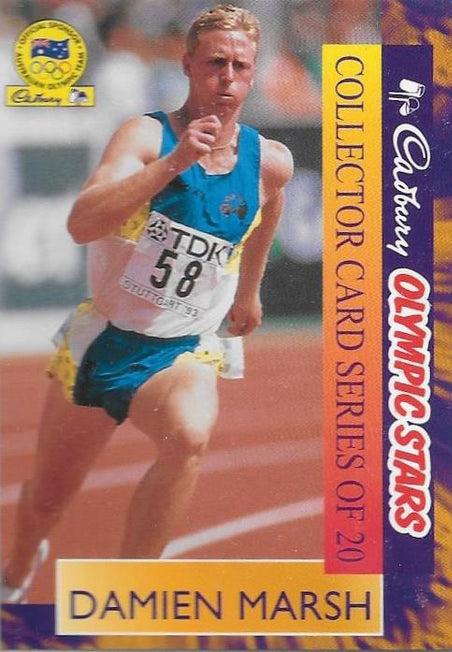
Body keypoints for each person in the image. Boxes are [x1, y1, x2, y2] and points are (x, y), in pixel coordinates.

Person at [1, 3, 293, 602]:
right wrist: (174, 163)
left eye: (240, 66)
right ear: (186, 65)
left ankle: (132, 595)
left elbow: (268, 212)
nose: (228, 78)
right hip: (103, 346)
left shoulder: (270, 161)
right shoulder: (144, 136)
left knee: (190, 436)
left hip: (183, 350)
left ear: (254, 71)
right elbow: (81, 225)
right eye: (214, 63)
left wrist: (249, 290)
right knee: (48, 500)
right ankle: (18, 565)